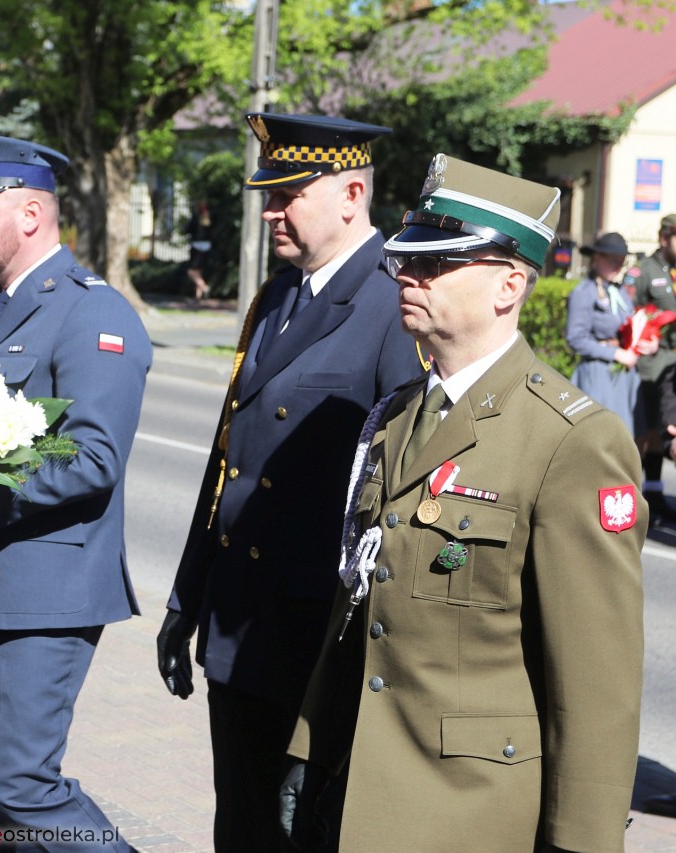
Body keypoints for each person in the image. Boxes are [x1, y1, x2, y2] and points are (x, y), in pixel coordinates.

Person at [280, 154, 644, 853]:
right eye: (407, 260)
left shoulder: (572, 442)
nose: (409, 277)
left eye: (437, 264)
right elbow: (359, 604)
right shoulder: (396, 417)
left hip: (472, 815)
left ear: (510, 284)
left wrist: (581, 843)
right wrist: (311, 746)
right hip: (360, 794)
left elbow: (596, 685)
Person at [156, 113, 421, 851]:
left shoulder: (393, 303)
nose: (270, 210)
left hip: (313, 640)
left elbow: (398, 493)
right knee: (238, 825)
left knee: (298, 834)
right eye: (267, 195)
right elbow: (226, 463)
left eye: (288, 194)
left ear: (351, 193)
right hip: (241, 621)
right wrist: (188, 596)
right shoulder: (277, 296)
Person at [0, 133, 150, 850]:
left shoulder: (92, 313)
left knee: (21, 784)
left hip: (37, 594)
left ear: (30, 214)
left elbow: (92, 458)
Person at [567, 232, 648, 433]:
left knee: (628, 438)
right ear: (597, 258)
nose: (618, 267)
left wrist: (644, 343)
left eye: (621, 262)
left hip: (623, 375)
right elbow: (576, 339)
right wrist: (616, 354)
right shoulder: (584, 292)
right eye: (613, 261)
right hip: (599, 374)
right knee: (602, 435)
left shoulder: (619, 292)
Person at [627, 212, 676, 525]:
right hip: (650, 366)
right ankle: (629, 495)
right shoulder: (643, 271)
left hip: (672, 370)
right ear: (664, 238)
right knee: (643, 434)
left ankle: (655, 495)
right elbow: (629, 315)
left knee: (663, 433)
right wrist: (647, 338)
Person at [186, 200, 212, 300]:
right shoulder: (208, 219)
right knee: (199, 271)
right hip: (207, 247)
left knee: (191, 272)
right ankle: (198, 297)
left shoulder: (196, 218)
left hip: (197, 246)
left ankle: (204, 287)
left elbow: (188, 229)